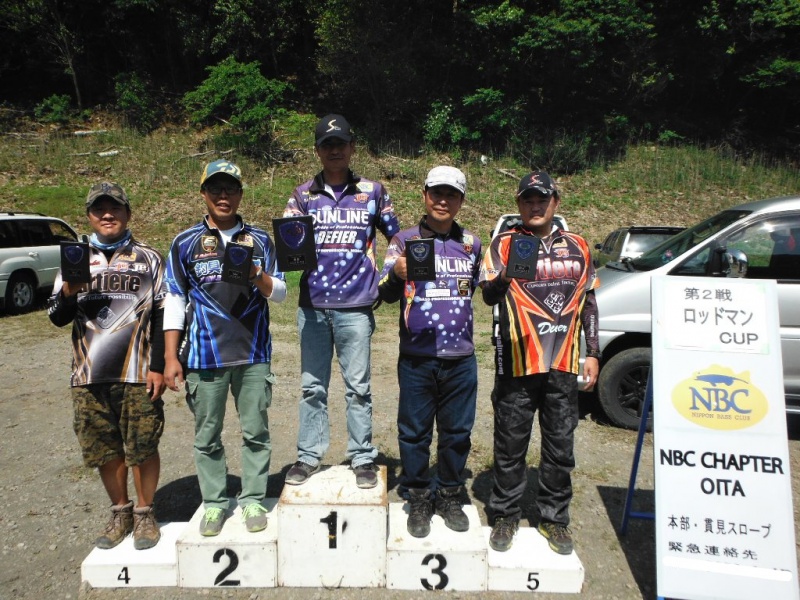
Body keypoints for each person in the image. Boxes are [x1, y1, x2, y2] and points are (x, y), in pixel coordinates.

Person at [478, 171, 601, 555]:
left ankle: (554, 519)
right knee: (510, 443)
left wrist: (593, 352)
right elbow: (487, 296)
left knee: (560, 445)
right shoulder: (503, 244)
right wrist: (503, 277)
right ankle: (505, 514)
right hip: (517, 359)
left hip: (563, 361)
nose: (535, 205)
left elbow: (590, 303)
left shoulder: (579, 246)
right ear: (519, 204)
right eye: (528, 199)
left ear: (555, 203)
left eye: (542, 199)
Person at [163, 160, 286, 536]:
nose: (223, 196)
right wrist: (170, 356)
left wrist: (256, 275)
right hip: (204, 356)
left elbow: (280, 293)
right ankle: (215, 503)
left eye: (230, 188)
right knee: (207, 436)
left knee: (256, 433)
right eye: (215, 189)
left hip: (253, 354)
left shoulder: (262, 240)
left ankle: (252, 500)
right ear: (203, 194)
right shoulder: (185, 242)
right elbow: (173, 299)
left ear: (240, 194)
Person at [283, 114, 400, 489]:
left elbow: (399, 241)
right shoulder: (302, 195)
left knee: (358, 386)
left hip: (357, 307)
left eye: (341, 143)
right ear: (317, 151)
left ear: (352, 148)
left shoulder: (373, 191)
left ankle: (362, 456)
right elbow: (289, 248)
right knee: (312, 386)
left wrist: (385, 278)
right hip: (313, 306)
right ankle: (308, 455)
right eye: (326, 144)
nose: (334, 150)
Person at [48, 182, 166, 550]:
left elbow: (163, 316)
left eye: (114, 208)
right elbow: (56, 316)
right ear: (89, 216)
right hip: (89, 373)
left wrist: (160, 365)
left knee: (142, 444)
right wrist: (68, 291)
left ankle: (145, 513)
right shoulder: (75, 258)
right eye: (99, 209)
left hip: (137, 369)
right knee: (104, 447)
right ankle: (121, 511)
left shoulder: (148, 257)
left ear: (128, 213)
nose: (107, 215)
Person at [378, 166, 481, 537]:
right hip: (417, 357)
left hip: (461, 358)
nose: (442, 200)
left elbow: (488, 289)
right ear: (424, 195)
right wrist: (397, 274)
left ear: (460, 201)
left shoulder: (472, 243)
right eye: (436, 192)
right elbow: (384, 294)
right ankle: (419, 494)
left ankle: (451, 493)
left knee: (457, 432)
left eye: (451, 194)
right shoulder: (403, 240)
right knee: (414, 432)